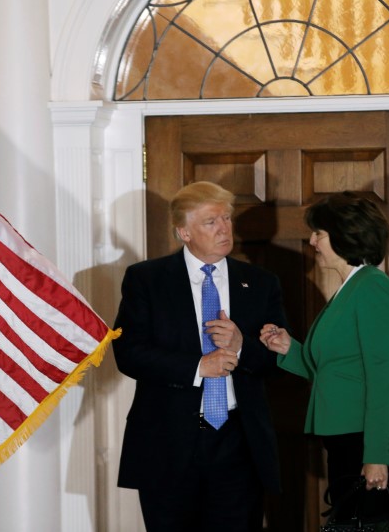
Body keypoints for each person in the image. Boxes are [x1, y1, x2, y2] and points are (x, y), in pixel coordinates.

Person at [113, 181, 288, 532]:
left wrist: (241, 345)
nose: (224, 228)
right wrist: (198, 367)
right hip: (168, 442)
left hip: (239, 442)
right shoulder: (146, 279)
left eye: (227, 218)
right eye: (211, 222)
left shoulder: (261, 282)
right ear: (184, 231)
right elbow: (129, 353)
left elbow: (278, 360)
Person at [259, 191, 389, 521]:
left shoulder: (372, 287)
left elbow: (378, 376)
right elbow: (334, 371)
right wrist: (289, 349)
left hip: (366, 439)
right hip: (346, 436)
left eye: (319, 233)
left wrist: (377, 455)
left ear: (345, 237)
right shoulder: (349, 289)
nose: (312, 242)